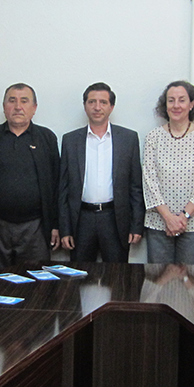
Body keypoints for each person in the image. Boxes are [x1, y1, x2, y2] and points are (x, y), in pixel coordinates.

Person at [0, 83, 60, 277]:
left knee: (36, 285)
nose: (18, 107)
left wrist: (56, 225)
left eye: (24, 101)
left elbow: (57, 185)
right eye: (12, 101)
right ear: (4, 107)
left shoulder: (46, 138)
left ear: (34, 108)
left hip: (35, 228)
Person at [59, 83, 145, 263]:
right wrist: (65, 229)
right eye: (92, 102)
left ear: (111, 107)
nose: (97, 107)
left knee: (117, 274)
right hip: (81, 219)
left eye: (103, 102)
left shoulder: (128, 139)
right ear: (85, 106)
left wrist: (136, 225)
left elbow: (135, 186)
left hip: (115, 218)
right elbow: (64, 189)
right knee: (79, 274)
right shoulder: (70, 140)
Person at [143, 80, 194, 265]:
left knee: (191, 279)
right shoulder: (153, 137)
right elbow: (149, 182)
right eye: (171, 100)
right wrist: (168, 218)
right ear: (165, 105)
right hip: (159, 223)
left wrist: (183, 217)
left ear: (191, 104)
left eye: (182, 100)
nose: (176, 105)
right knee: (159, 278)